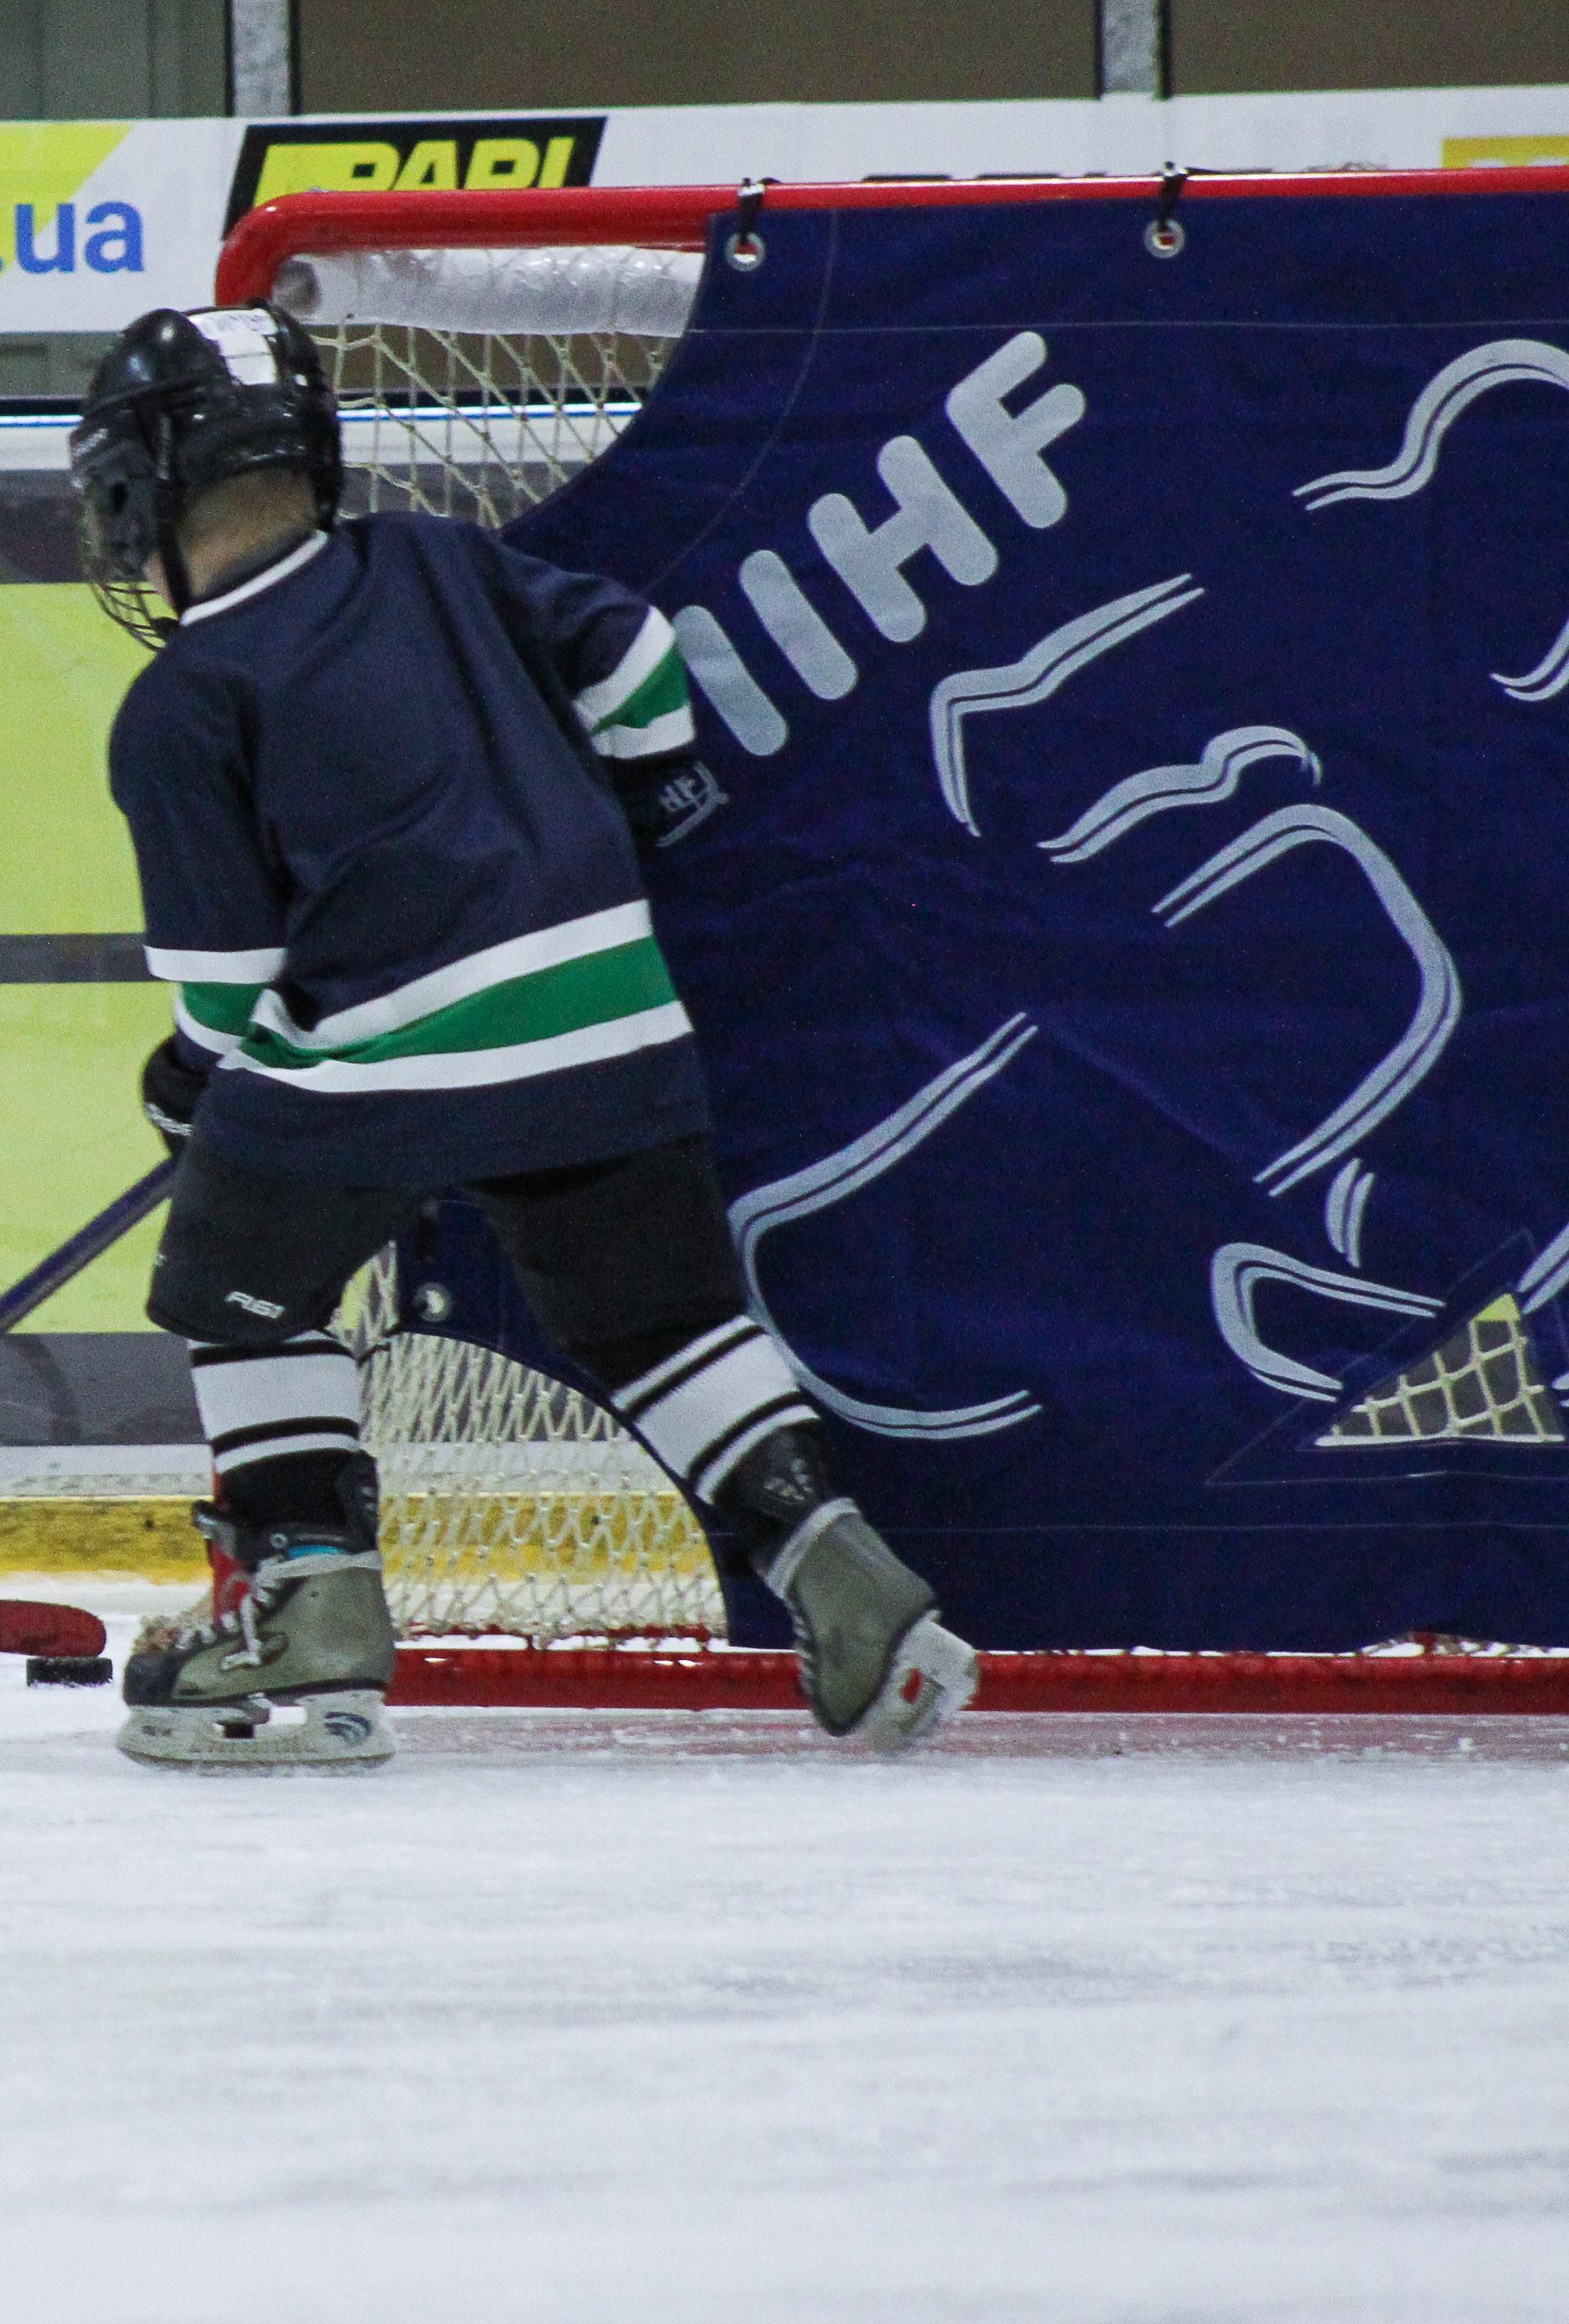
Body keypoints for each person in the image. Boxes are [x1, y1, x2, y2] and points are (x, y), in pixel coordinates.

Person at [71, 307, 977, 1771]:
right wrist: (641, 798)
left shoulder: (182, 700)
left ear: (141, 495)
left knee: (238, 1298)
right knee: (662, 1324)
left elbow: (234, 997)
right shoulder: (437, 558)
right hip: (611, 1029)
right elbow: (635, 651)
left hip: (383, 1067)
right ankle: (843, 1574)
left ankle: (313, 1602)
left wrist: (190, 1088)